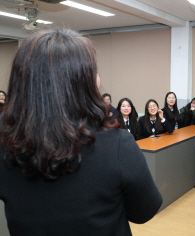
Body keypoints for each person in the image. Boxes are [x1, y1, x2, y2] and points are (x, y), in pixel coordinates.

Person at [0, 29, 162, 236]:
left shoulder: (6, 143)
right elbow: (144, 212)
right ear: (82, 82)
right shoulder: (117, 145)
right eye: (94, 70)